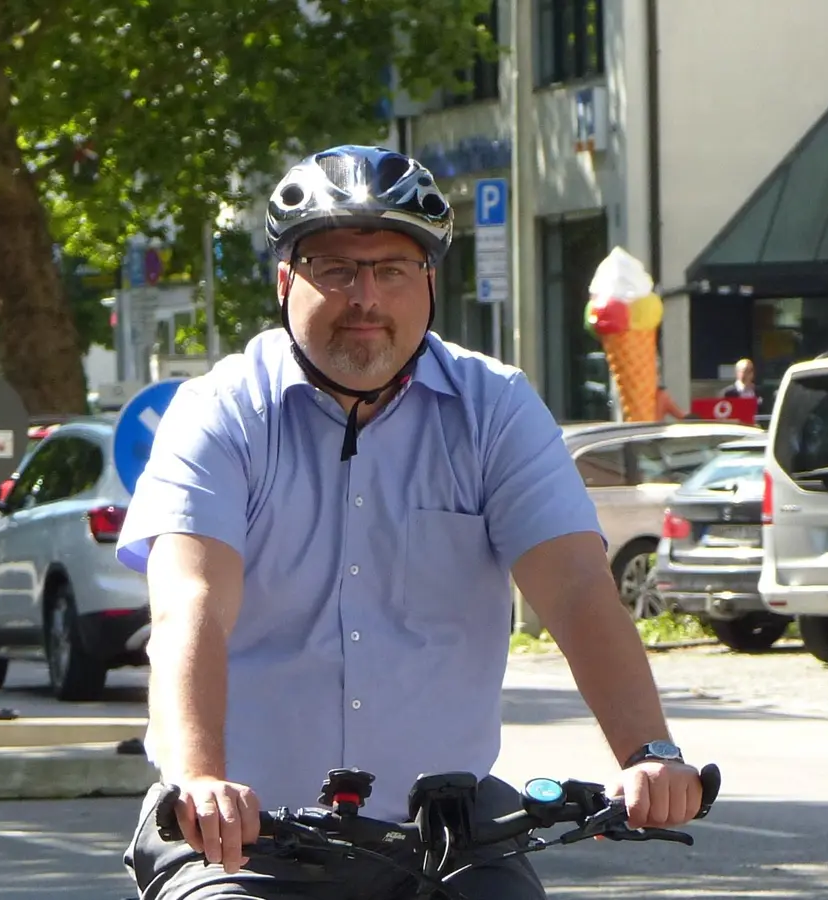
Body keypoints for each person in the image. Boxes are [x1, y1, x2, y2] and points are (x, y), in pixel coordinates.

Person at [116, 145, 705, 900]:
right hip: (244, 835)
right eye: (335, 269)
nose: (366, 297)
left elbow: (576, 589)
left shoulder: (495, 408)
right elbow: (191, 602)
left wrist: (649, 752)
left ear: (428, 282)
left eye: (391, 269)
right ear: (284, 279)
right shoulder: (222, 413)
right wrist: (199, 779)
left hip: (447, 836)